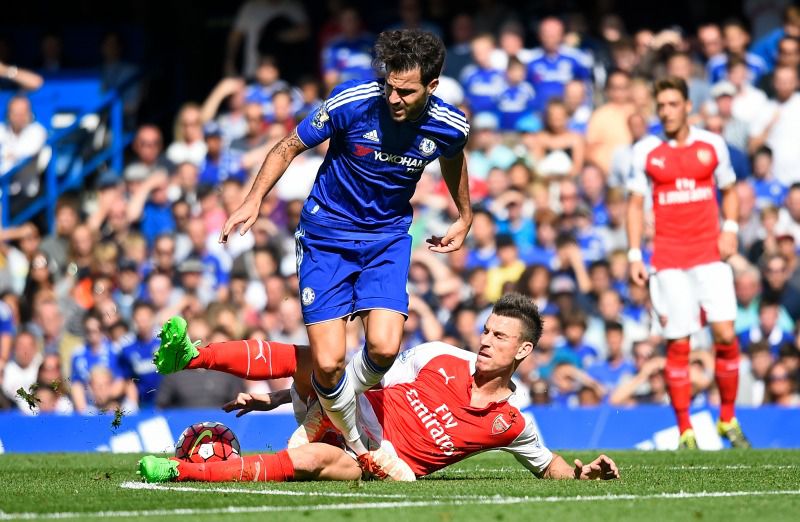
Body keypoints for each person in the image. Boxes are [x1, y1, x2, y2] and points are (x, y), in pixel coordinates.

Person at [220, 29, 473, 476]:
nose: (394, 97)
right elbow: (288, 145)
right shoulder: (352, 101)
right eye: (389, 86)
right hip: (326, 237)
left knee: (383, 347)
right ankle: (353, 437)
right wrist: (253, 199)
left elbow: (452, 156)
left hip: (387, 239)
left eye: (406, 91)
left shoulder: (450, 126)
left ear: (432, 87)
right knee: (330, 362)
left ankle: (327, 418)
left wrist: (464, 214)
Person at [138, 294, 620, 483]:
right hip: (334, 412)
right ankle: (192, 357)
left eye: (500, 336)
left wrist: (587, 476)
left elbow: (549, 467)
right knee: (316, 358)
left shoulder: (512, 423)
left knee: (316, 462)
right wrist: (280, 397)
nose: (486, 341)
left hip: (373, 458)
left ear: (523, 351)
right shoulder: (442, 357)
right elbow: (363, 374)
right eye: (487, 330)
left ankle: (179, 472)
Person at [626, 76, 750, 450]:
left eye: (672, 104)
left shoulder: (712, 145)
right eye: (660, 106)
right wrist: (635, 254)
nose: (666, 112)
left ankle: (727, 417)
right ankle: (686, 430)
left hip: (709, 254)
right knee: (678, 345)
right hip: (668, 259)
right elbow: (634, 205)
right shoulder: (645, 150)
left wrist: (730, 228)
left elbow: (729, 192)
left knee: (725, 334)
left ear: (687, 106)